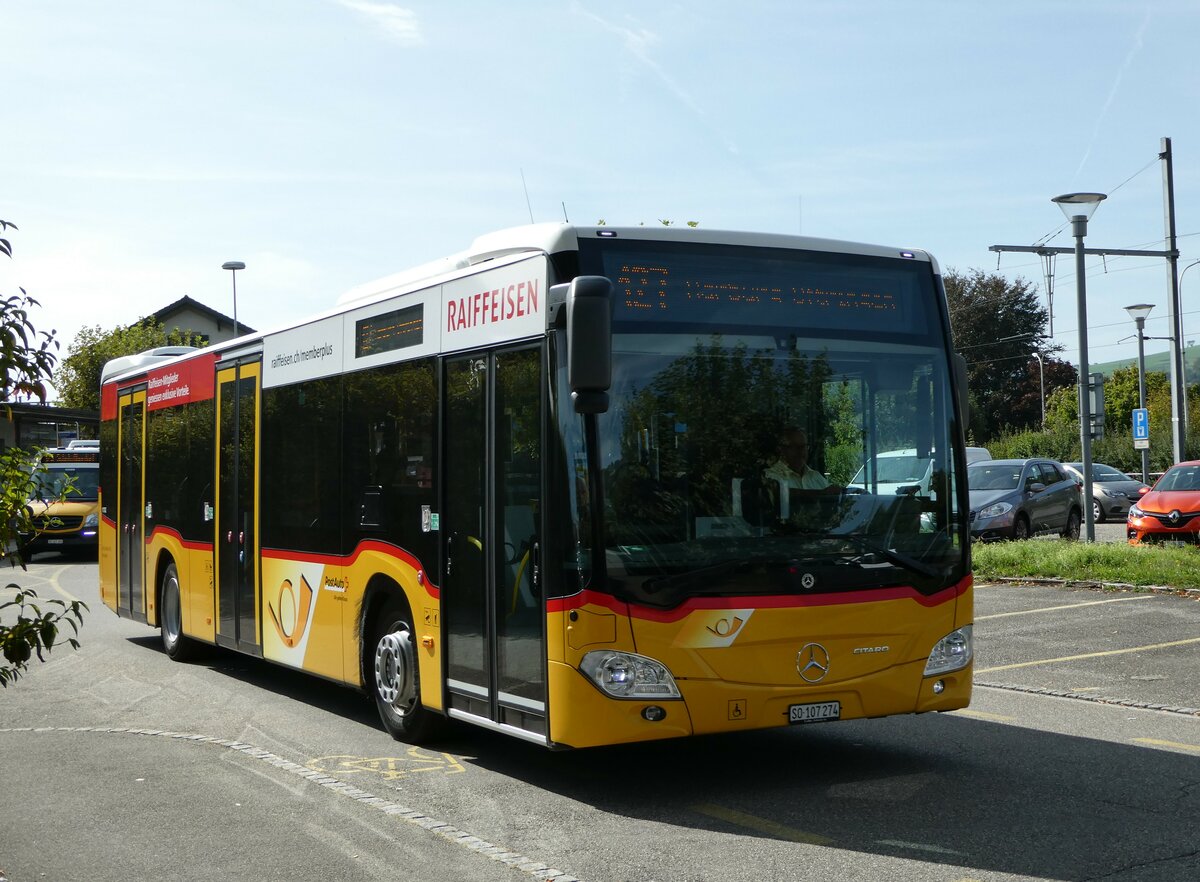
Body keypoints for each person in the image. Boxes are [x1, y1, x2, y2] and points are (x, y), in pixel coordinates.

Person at [763, 427, 838, 521]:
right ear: (781, 450)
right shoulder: (769, 476)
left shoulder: (816, 476)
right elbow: (780, 495)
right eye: (794, 447)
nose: (801, 451)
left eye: (804, 447)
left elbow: (833, 502)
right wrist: (821, 494)